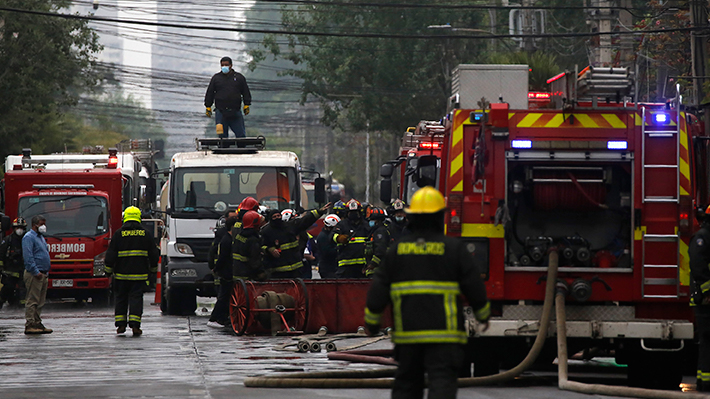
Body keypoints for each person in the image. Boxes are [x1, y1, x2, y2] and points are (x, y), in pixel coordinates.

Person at [364, 187, 490, 399]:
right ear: (441, 216)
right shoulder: (453, 249)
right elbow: (473, 285)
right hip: (445, 336)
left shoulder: (398, 250)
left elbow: (379, 288)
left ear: (412, 218)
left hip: (408, 336)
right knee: (442, 382)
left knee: (406, 383)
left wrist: (372, 322)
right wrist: (483, 315)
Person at [105, 206, 160, 336]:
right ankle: (135, 326)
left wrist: (108, 271)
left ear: (125, 218)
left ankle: (121, 325)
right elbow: (153, 255)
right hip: (139, 276)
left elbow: (111, 254)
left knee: (120, 299)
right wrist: (152, 271)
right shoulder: (145, 234)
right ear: (139, 218)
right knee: (136, 299)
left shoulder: (119, 234)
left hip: (121, 276)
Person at [261, 204, 330, 279]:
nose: (277, 218)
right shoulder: (266, 231)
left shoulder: (289, 226)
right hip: (278, 271)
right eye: (274, 217)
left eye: (278, 216)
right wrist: (269, 249)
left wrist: (319, 212)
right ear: (270, 219)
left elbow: (306, 220)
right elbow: (261, 246)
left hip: (296, 269)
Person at [204, 56, 252, 139]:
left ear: (231, 65)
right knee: (222, 136)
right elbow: (210, 92)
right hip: (221, 112)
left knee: (241, 136)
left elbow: (245, 92)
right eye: (222, 65)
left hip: (235, 111)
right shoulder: (216, 78)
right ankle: (223, 150)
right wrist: (208, 106)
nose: (224, 67)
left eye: (226, 65)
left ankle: (242, 150)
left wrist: (246, 104)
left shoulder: (239, 78)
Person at [690, 205, 710, 391]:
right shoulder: (702, 238)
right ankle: (705, 381)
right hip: (705, 299)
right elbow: (698, 268)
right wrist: (707, 291)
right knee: (707, 338)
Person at [22, 215, 52, 334]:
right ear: (35, 225)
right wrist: (36, 272)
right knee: (32, 300)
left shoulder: (40, 237)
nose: (44, 226)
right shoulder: (28, 237)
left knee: (40, 302)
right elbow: (28, 257)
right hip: (35, 274)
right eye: (41, 224)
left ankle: (37, 323)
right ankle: (30, 324)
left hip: (43, 274)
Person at [208, 215, 239, 329]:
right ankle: (214, 318)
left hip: (227, 272)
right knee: (223, 297)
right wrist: (217, 269)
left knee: (226, 296)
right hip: (225, 273)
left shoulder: (228, 239)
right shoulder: (226, 240)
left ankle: (221, 318)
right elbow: (222, 257)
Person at [331, 199, 371, 278]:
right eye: (351, 212)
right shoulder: (342, 225)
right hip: (345, 266)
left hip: (362, 265)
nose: (353, 214)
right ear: (347, 213)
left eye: (356, 212)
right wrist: (339, 238)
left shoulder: (366, 225)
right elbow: (332, 236)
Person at [0, 218, 27, 309]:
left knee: (23, 289)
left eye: (21, 227)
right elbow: (1, 254)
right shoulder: (8, 240)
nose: (19, 230)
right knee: (8, 288)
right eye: (17, 227)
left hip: (23, 270)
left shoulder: (27, 240)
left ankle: (22, 307)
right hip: (9, 270)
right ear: (13, 228)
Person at [232, 210, 266, 281]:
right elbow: (255, 260)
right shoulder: (253, 240)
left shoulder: (239, 236)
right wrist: (260, 272)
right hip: (248, 275)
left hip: (237, 273)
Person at [364, 207, 390, 278]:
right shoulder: (374, 231)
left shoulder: (380, 232)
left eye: (373, 220)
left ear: (377, 221)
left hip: (378, 271)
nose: (371, 222)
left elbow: (380, 250)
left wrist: (372, 264)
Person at [317, 214, 340, 279]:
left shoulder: (327, 235)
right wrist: (339, 249)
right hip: (327, 269)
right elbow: (327, 252)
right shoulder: (323, 237)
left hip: (331, 267)